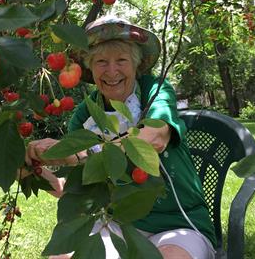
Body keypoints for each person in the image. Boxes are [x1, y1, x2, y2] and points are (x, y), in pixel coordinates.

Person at [26, 15, 216, 259]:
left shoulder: (154, 90)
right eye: (101, 61)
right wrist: (35, 172)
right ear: (90, 67)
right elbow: (82, 187)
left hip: (178, 224)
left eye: (122, 60)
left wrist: (86, 153)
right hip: (117, 224)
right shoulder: (86, 113)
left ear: (136, 64)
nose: (112, 71)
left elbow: (155, 137)